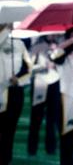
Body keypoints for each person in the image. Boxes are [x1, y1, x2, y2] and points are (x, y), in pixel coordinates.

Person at [49, 27, 73, 165]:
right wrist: (71, 43)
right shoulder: (60, 50)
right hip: (67, 97)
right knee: (67, 137)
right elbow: (55, 58)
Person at [0, 24, 32, 165]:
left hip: (14, 93)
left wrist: (17, 79)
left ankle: (6, 159)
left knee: (9, 130)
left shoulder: (19, 44)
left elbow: (29, 68)